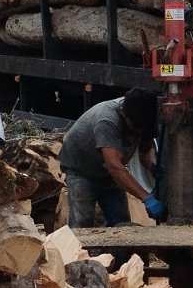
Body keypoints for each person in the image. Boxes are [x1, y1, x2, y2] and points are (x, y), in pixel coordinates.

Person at [60, 90, 163, 227]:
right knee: (82, 222)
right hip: (81, 169)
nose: (137, 133)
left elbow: (145, 151)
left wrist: (153, 168)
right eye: (135, 129)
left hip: (109, 172)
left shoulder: (147, 115)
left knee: (121, 222)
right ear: (126, 117)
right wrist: (147, 198)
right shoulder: (107, 120)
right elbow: (114, 167)